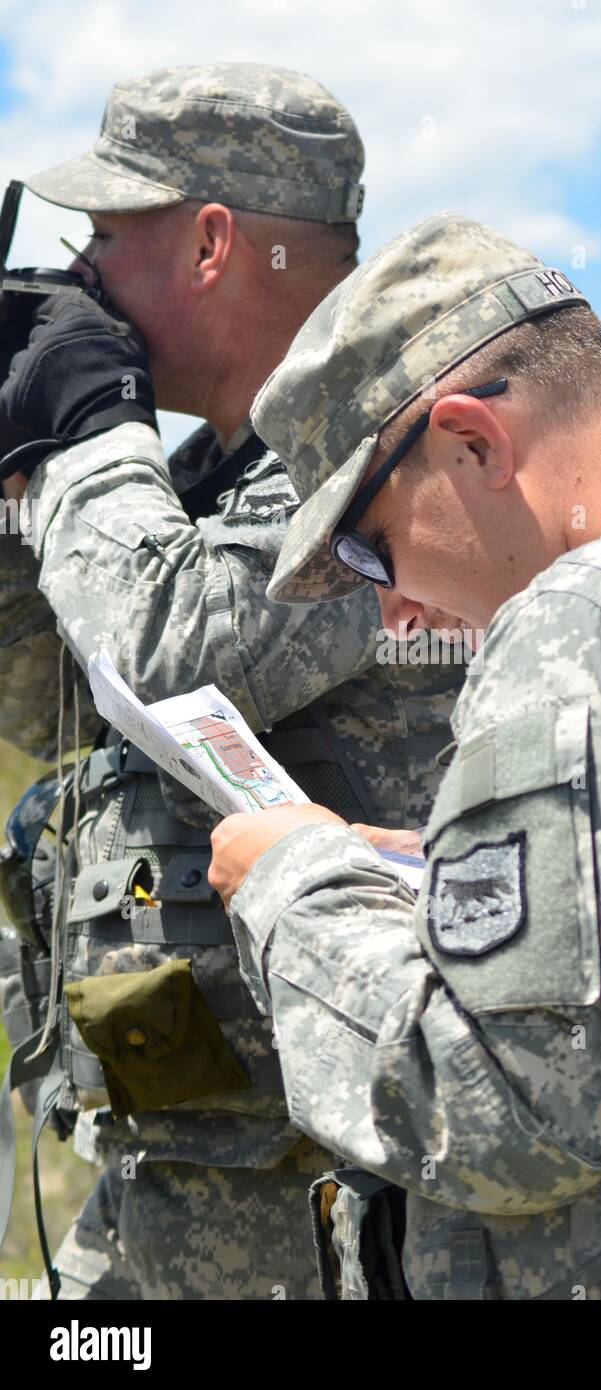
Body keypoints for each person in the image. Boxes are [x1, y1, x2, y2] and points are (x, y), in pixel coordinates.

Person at [210, 212, 601, 1300]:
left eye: (370, 543)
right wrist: (440, 863)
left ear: (472, 438)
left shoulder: (590, 628)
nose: (396, 600)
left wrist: (290, 881)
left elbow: (511, 1106)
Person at [0, 70, 462, 1300]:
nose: (80, 276)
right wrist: (22, 474)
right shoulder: (200, 482)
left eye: (105, 235)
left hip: (339, 1211)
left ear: (212, 242)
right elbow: (45, 689)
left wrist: (85, 421)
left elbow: (167, 647)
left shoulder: (388, 464)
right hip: (172, 1180)